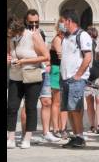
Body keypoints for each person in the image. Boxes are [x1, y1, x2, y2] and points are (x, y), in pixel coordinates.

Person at [7, 18, 50, 149]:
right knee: (12, 107)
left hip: (32, 75)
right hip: (15, 75)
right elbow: (9, 53)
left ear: (18, 30)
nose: (10, 36)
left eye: (12, 34)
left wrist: (24, 61)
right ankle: (11, 138)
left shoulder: (33, 36)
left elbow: (46, 56)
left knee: (30, 107)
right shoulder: (10, 37)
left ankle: (27, 138)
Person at [20, 10, 60, 143]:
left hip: (43, 71)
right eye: (31, 22)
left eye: (36, 22)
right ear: (26, 21)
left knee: (47, 101)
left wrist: (48, 64)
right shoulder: (22, 34)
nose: (34, 24)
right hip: (30, 71)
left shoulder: (41, 32)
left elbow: (45, 51)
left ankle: (46, 132)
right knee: (28, 104)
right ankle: (25, 134)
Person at [59, 9, 93, 148]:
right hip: (66, 78)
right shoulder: (66, 37)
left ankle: (80, 137)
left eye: (62, 21)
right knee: (70, 109)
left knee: (76, 109)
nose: (61, 24)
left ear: (69, 20)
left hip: (76, 79)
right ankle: (75, 136)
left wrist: (78, 75)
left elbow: (88, 57)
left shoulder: (82, 35)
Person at [49, 21, 68, 139]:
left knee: (64, 102)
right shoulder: (57, 39)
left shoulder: (66, 39)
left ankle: (63, 127)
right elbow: (61, 55)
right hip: (56, 70)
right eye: (62, 27)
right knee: (56, 101)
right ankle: (56, 128)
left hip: (64, 70)